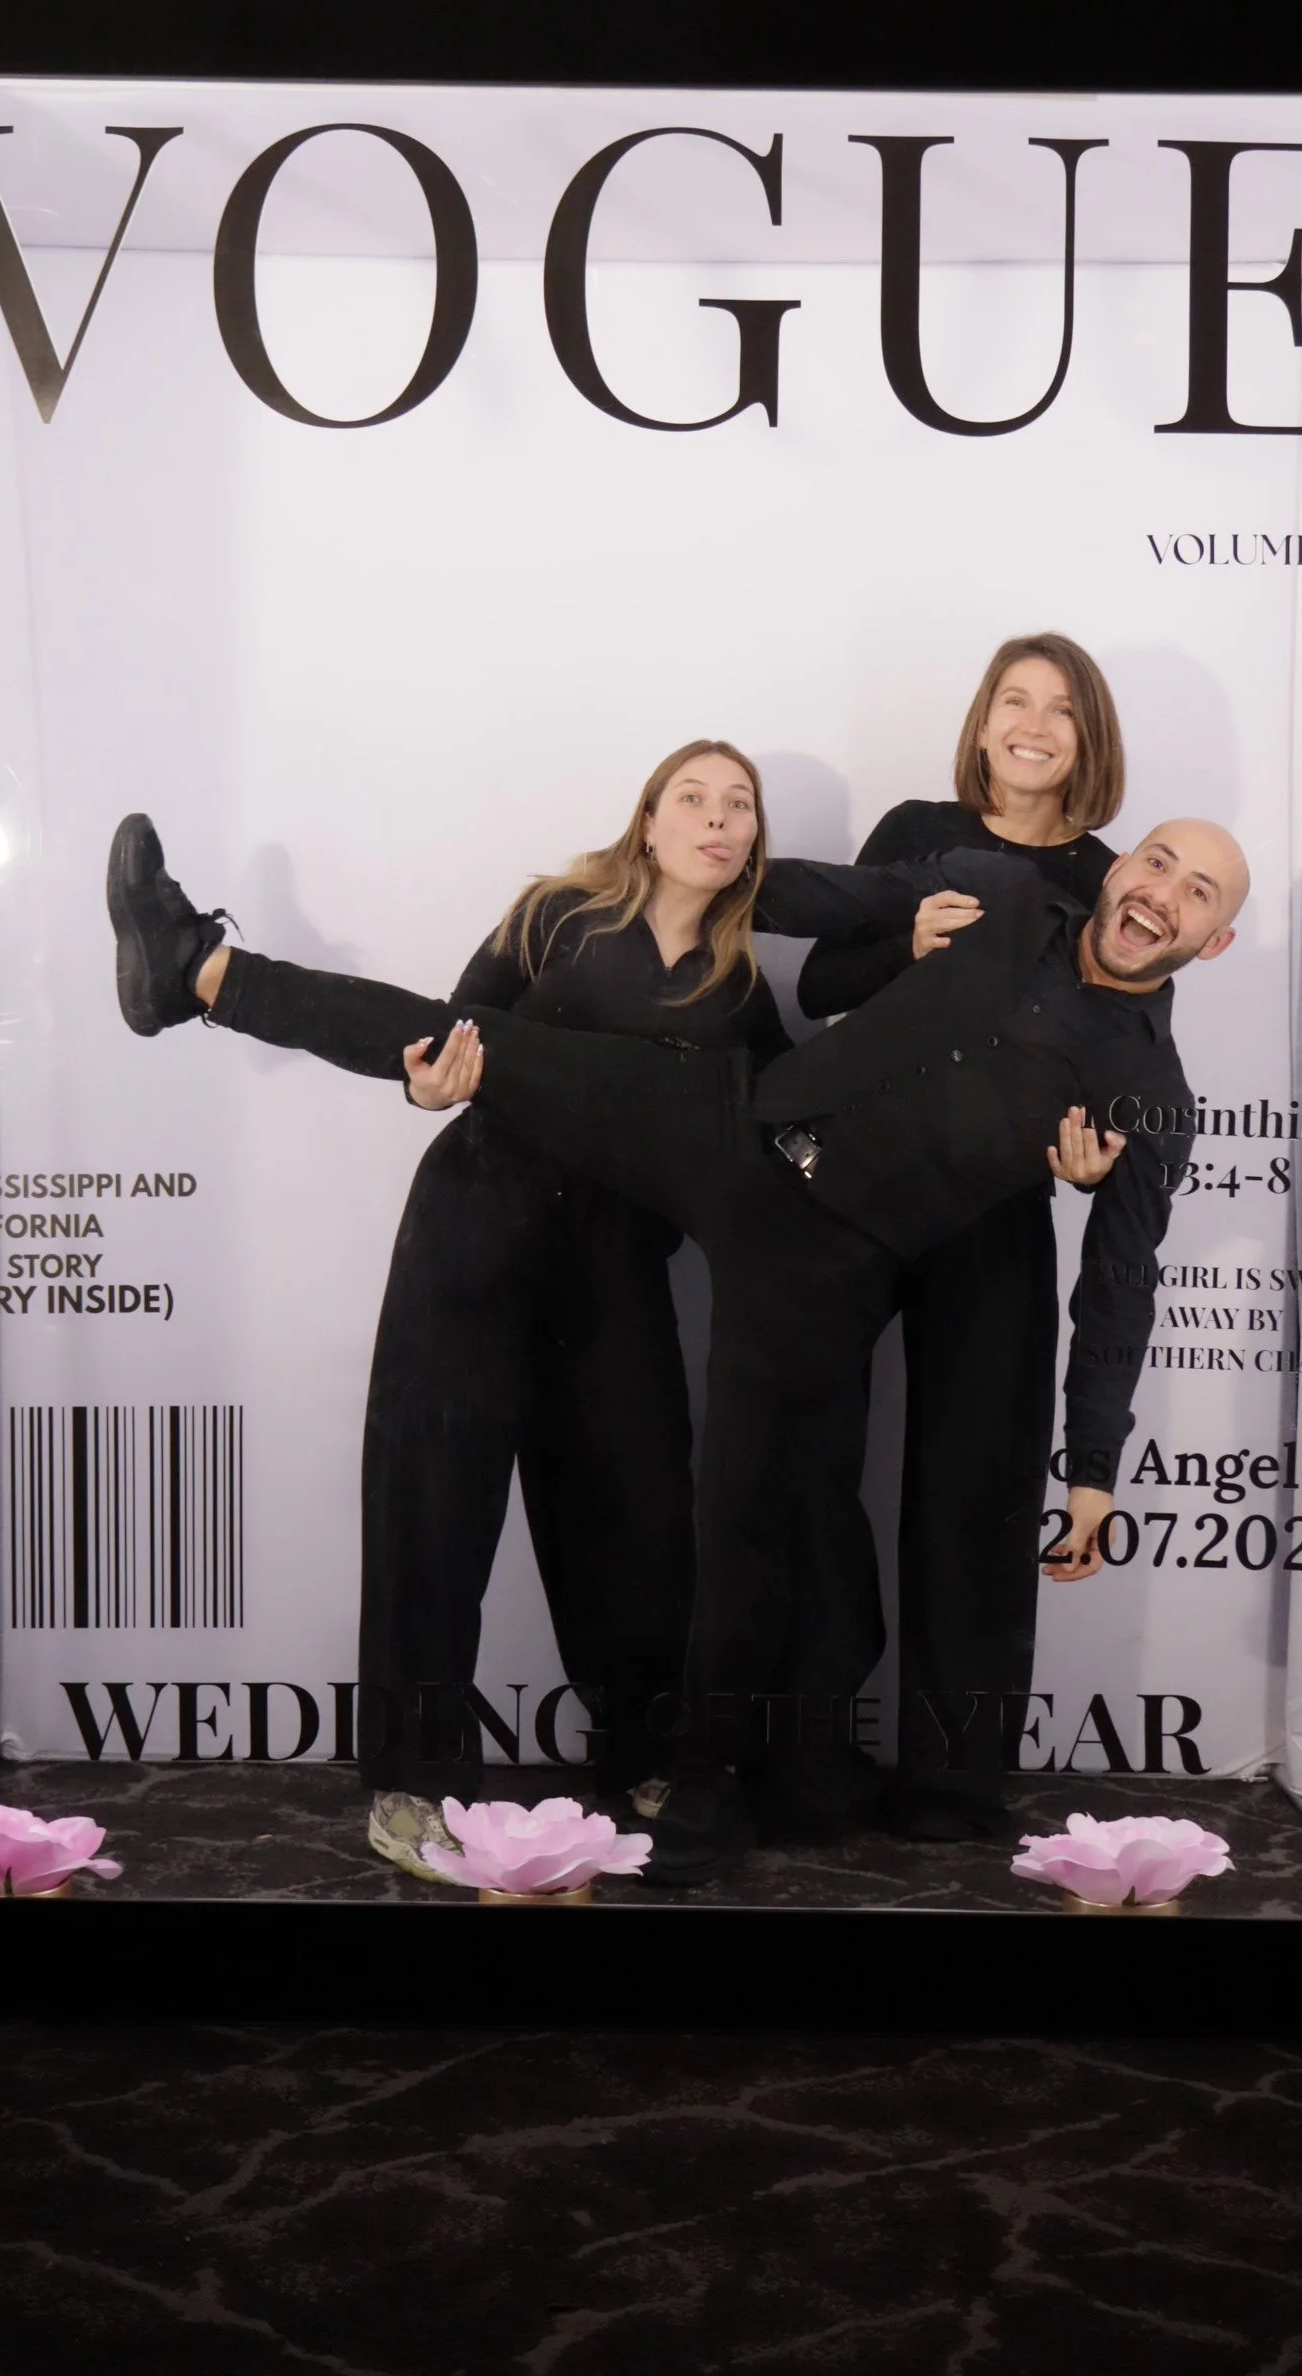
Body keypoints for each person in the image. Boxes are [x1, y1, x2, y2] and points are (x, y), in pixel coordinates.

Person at [108, 806, 1247, 1881]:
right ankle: (198, 971)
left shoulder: (1143, 1089)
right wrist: (770, 882)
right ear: (1118, 866)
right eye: (1157, 861)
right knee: (484, 1043)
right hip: (732, 1119)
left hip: (822, 1260)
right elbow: (816, 892)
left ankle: (697, 1787)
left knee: (744, 1516)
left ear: (1215, 940)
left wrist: (1094, 1469)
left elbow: (1121, 1282)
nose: (1164, 893)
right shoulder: (999, 890)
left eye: (1198, 892)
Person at [348, 741, 843, 1881]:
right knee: (434, 1504)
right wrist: (423, 1078)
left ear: (753, 840)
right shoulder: (557, 917)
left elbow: (788, 1125)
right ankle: (413, 1782)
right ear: (650, 820)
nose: (717, 821)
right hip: (478, 1232)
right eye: (694, 799)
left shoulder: (740, 985)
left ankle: (642, 1754)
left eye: (740, 807)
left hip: (619, 1263)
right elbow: (450, 1033)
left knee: (635, 1509)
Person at [796, 634, 1126, 1843]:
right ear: (983, 722)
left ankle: (951, 1781)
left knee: (977, 1485)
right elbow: (824, 985)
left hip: (997, 1202)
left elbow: (1124, 1042)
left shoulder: (1107, 877)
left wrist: (1102, 1152)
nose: (1035, 725)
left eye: (1062, 710)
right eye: (1014, 701)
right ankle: (810, 1761)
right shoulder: (916, 831)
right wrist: (909, 945)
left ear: (1088, 738)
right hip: (861, 1184)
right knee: (810, 1464)